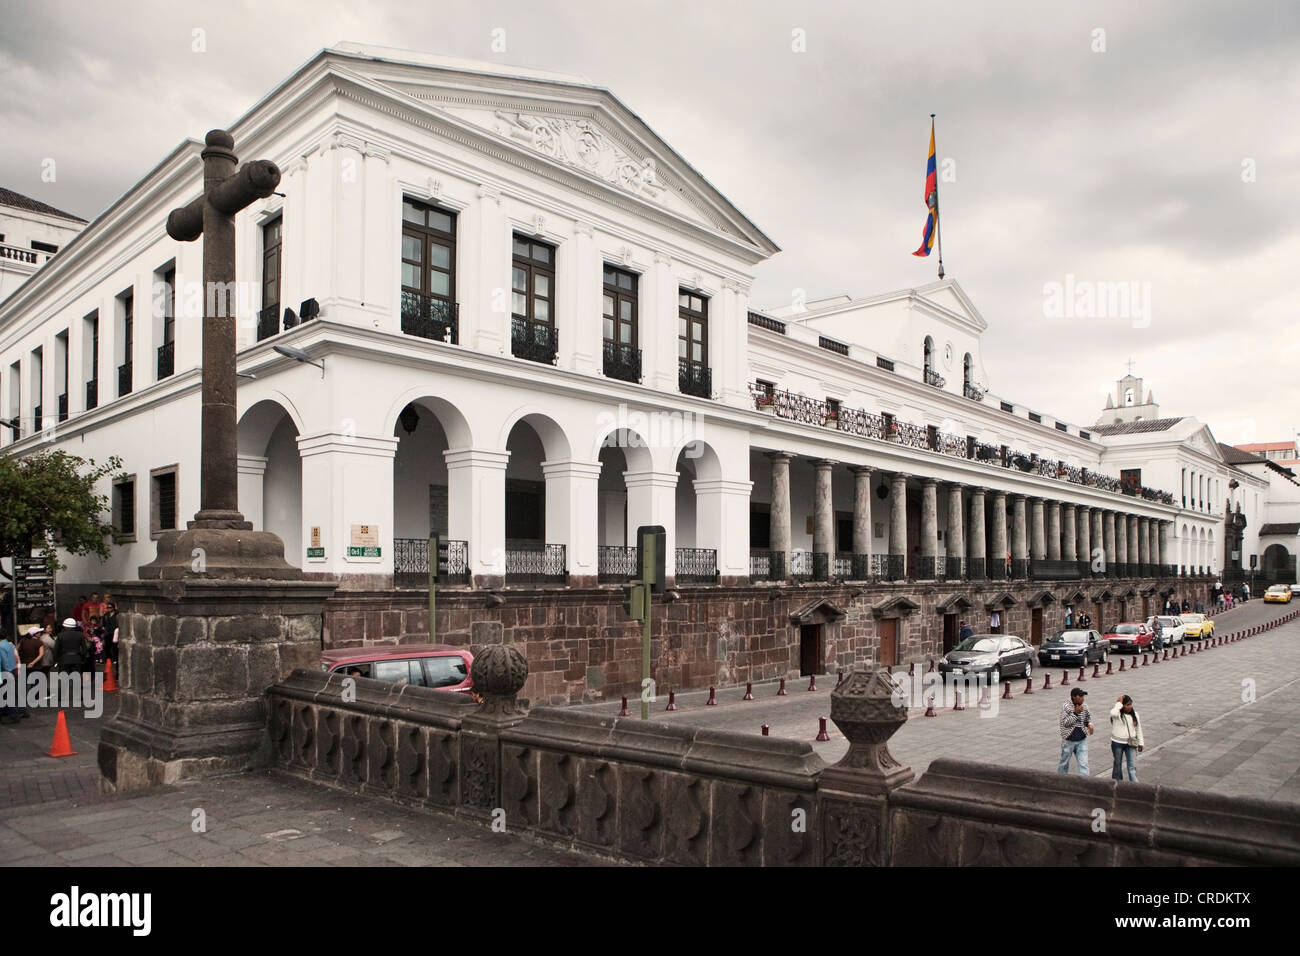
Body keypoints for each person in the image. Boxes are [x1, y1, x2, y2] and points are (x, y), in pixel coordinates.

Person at [1059, 688, 1093, 775]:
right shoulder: (1066, 706)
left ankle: (1085, 783)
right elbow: (1065, 723)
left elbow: (1087, 718)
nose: (1083, 698)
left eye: (1083, 696)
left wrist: (1089, 724)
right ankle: (1061, 780)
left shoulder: (1084, 706)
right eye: (1080, 696)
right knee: (1064, 762)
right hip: (1069, 740)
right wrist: (1075, 713)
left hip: (1081, 740)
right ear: (1074, 697)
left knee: (1084, 763)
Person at [1110, 695, 1144, 781]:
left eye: (1131, 704)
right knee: (1117, 764)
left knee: (1132, 766)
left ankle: (1135, 785)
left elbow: (1138, 729)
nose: (1130, 707)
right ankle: (1117, 784)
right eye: (1127, 705)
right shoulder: (1117, 714)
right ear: (1122, 705)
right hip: (1117, 743)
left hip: (1131, 743)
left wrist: (1141, 743)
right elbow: (1113, 712)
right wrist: (1118, 703)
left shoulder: (1135, 714)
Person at [0, 633, 23, 723]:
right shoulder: (10, 644)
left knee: (7, 695)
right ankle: (12, 712)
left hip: (6, 671)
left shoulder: (1, 646)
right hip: (13, 669)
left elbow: (4, 661)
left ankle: (14, 715)